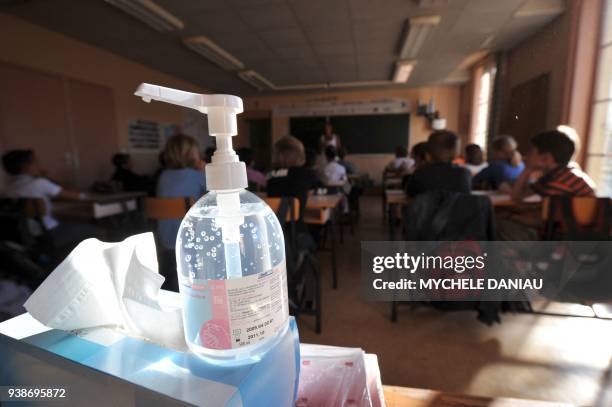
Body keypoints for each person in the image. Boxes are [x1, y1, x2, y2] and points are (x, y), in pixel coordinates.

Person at [498, 127, 596, 240]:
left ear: (545, 158)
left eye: (531, 152)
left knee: (499, 224)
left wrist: (510, 216)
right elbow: (517, 196)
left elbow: (540, 221)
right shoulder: (559, 175)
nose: (526, 156)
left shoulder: (561, 182)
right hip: (570, 238)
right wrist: (527, 170)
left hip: (568, 242)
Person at [1, 149, 98, 248]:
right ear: (25, 166)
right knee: (96, 230)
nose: (38, 165)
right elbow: (79, 196)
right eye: (35, 162)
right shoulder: (39, 183)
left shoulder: (6, 190)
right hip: (49, 233)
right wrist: (47, 177)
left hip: (24, 237)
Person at [156, 134, 206, 249]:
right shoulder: (197, 175)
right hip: (192, 239)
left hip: (166, 238)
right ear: (194, 154)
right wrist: (206, 171)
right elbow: (215, 195)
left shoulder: (163, 176)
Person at [267, 136, 319, 221]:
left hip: (275, 230)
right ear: (299, 155)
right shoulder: (305, 174)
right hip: (296, 229)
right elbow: (314, 191)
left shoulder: (269, 175)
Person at [405, 130, 472, 197]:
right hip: (458, 207)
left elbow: (409, 193)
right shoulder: (464, 174)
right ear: (456, 154)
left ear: (428, 154)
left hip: (427, 207)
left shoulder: (420, 173)